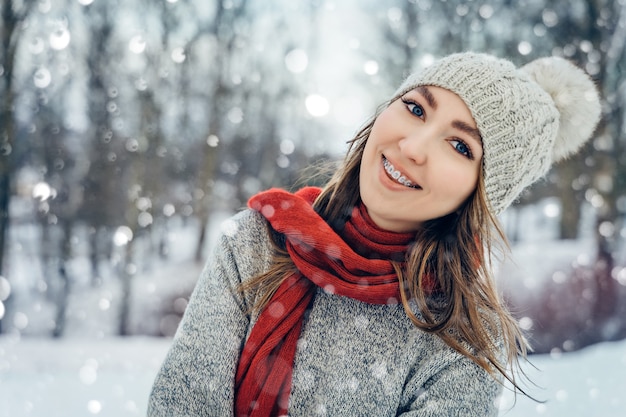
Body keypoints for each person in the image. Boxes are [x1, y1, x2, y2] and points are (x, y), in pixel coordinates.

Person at [147, 52, 601, 416]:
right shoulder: (255, 244)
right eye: (416, 108)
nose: (412, 147)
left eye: (460, 146)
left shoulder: (464, 344)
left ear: (480, 195)